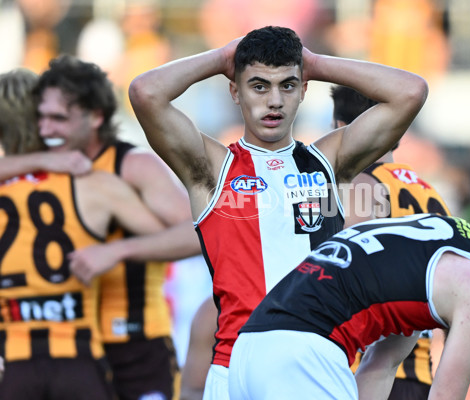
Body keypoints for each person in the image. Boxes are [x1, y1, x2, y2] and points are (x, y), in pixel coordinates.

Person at [129, 25, 428, 399]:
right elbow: (145, 92)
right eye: (258, 86)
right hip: (233, 366)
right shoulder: (212, 168)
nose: (274, 101)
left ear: (304, 90)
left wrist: (314, 63)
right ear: (234, 91)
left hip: (310, 361)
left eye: (287, 85)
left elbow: (411, 92)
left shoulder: (328, 163)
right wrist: (222, 57)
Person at [229, 189, 470, 400]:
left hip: (249, 348)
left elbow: (380, 367)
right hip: (304, 353)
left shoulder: (435, 246)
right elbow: (444, 396)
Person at [0, 56, 202, 400]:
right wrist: (43, 160)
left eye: (58, 119)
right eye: (41, 118)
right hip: (70, 349)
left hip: (133, 342)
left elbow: (199, 235)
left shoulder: (131, 166)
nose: (46, 129)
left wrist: (118, 249)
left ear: (95, 118)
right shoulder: (52, 169)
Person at [332, 85, 450, 399]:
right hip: (419, 373)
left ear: (341, 129)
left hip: (370, 369)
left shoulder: (361, 186)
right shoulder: (433, 195)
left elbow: (341, 269)